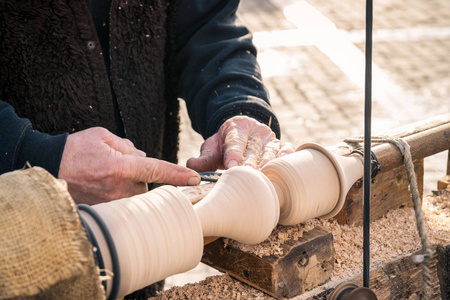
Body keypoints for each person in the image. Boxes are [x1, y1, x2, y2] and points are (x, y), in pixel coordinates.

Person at [0, 0, 294, 296]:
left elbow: (205, 25)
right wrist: (35, 156)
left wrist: (237, 105)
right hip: (22, 246)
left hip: (145, 244)